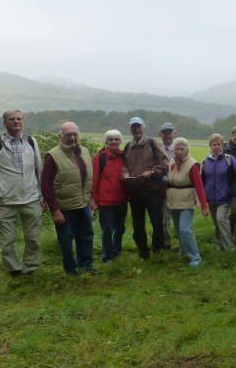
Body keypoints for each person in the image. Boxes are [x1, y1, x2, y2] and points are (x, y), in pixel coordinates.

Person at [0, 109, 45, 277]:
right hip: (5, 202)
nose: (16, 121)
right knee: (7, 241)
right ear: (4, 123)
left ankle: (30, 267)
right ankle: (14, 269)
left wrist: (42, 197)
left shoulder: (31, 142)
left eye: (18, 118)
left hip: (31, 199)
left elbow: (39, 171)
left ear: (23, 121)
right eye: (11, 119)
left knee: (33, 238)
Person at [41, 122, 96, 276]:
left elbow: (89, 178)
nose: (72, 138)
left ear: (79, 135)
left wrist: (91, 199)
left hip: (83, 204)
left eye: (75, 134)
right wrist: (55, 210)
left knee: (86, 237)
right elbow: (46, 185)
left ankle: (86, 266)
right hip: (64, 207)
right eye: (68, 135)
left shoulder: (85, 151)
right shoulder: (52, 156)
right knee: (66, 240)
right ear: (61, 136)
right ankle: (70, 270)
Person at [121, 117, 168, 260]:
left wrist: (152, 172)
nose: (136, 129)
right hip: (135, 193)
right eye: (133, 127)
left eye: (138, 126)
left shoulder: (152, 143)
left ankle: (157, 250)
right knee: (137, 225)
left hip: (152, 191)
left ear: (143, 128)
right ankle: (143, 252)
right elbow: (123, 165)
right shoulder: (127, 146)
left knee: (157, 223)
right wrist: (124, 173)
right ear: (130, 129)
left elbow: (165, 164)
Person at [166, 138, 208, 267]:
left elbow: (199, 186)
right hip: (173, 200)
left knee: (184, 229)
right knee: (178, 230)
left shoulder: (192, 165)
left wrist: (204, 206)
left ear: (187, 151)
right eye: (176, 149)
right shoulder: (172, 162)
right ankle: (184, 250)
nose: (179, 152)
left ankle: (195, 257)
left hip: (187, 201)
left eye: (181, 149)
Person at [91, 129, 128, 263]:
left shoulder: (124, 157)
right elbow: (94, 181)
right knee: (107, 230)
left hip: (122, 200)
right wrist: (94, 199)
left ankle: (116, 252)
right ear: (106, 142)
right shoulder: (99, 158)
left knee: (120, 229)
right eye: (110, 139)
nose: (114, 142)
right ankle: (107, 257)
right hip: (105, 202)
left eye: (116, 139)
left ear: (120, 141)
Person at [201, 133, 236, 252]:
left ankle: (230, 248)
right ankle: (220, 244)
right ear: (210, 146)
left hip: (225, 197)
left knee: (221, 219)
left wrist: (231, 191)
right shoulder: (205, 162)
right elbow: (203, 180)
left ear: (222, 145)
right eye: (214, 145)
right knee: (217, 223)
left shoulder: (229, 159)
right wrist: (203, 197)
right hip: (211, 198)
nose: (216, 147)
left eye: (218, 144)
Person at [158, 122, 176, 251]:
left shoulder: (180, 147)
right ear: (160, 134)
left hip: (178, 187)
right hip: (162, 187)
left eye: (170, 132)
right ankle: (167, 244)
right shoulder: (156, 148)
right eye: (165, 133)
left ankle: (184, 244)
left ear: (174, 133)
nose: (168, 135)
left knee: (180, 217)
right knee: (165, 219)